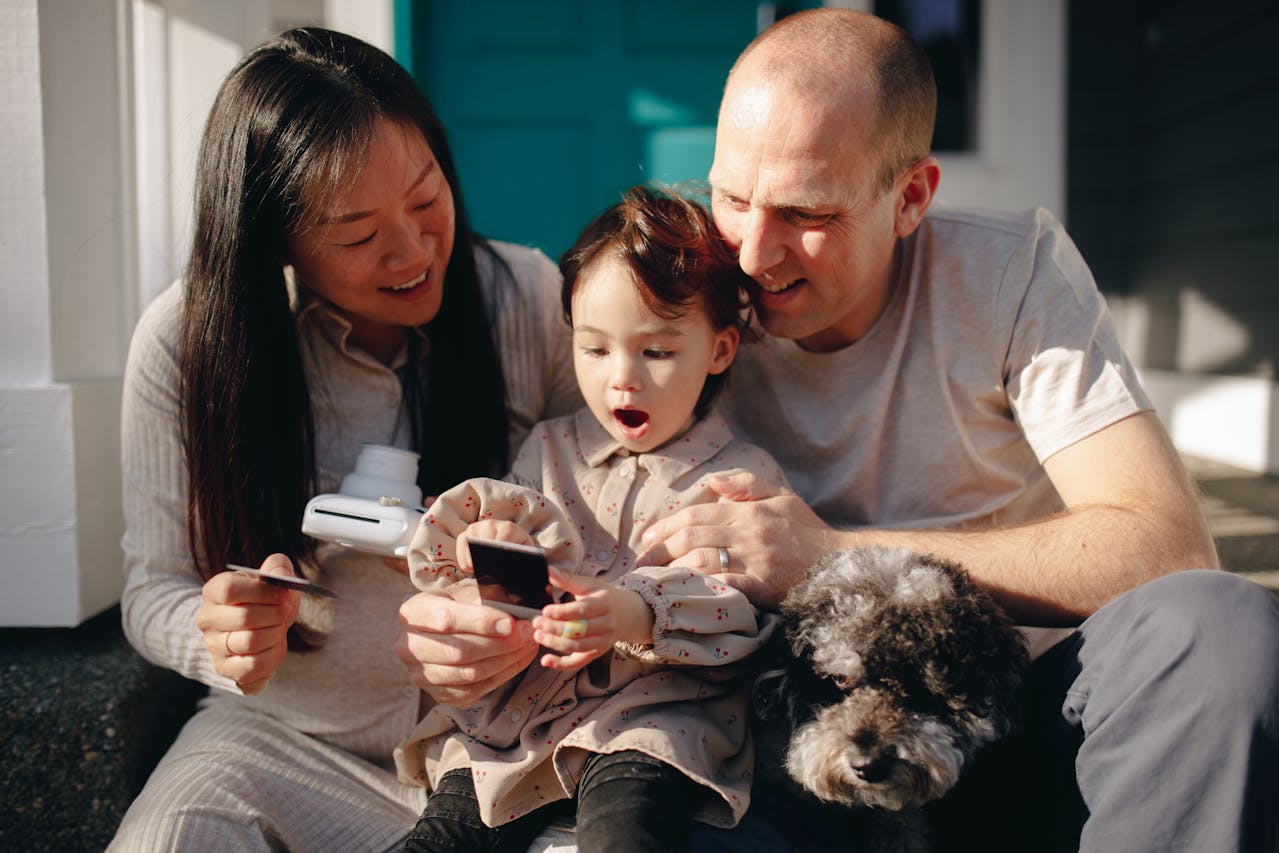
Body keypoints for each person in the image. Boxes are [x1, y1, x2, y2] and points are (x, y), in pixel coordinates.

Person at [398, 9, 1279, 853]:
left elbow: (1164, 546)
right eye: (732, 196)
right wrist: (474, 620)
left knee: (1216, 629)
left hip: (1010, 713)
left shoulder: (1010, 273)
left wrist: (828, 555)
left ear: (909, 197)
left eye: (807, 216)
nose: (751, 253)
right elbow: (551, 490)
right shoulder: (681, 296)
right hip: (778, 746)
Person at [111, 28, 581, 851]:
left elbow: (615, 518)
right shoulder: (185, 343)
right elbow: (153, 590)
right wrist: (220, 637)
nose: (412, 249)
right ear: (272, 239)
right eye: (358, 233)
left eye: (426, 195)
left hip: (505, 746)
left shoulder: (530, 299)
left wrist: (516, 605)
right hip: (285, 740)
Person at [397, 185, 786, 852]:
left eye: (656, 352)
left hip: (652, 719)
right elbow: (492, 537)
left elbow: (745, 609)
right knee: (444, 834)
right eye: (595, 348)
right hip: (523, 713)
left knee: (624, 834)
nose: (621, 380)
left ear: (719, 350)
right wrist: (491, 543)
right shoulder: (550, 448)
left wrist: (635, 611)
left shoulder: (738, 477)